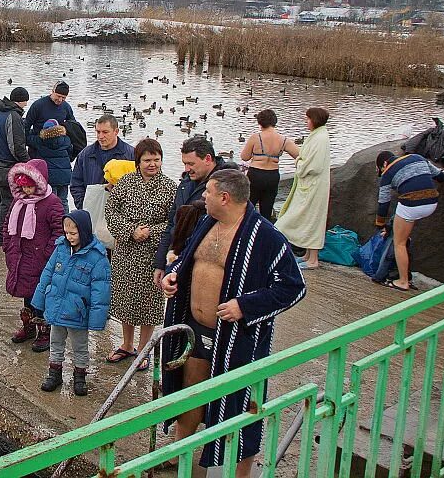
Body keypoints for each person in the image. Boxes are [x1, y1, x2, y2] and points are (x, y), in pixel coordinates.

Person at [160, 169, 306, 477]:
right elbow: (188, 259)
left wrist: (245, 306)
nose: (203, 197)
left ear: (225, 198)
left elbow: (293, 287)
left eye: (208, 193)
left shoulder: (266, 237)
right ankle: (179, 453)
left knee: (241, 403)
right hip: (195, 329)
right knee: (191, 390)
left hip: (237, 338)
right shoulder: (206, 223)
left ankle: (240, 473)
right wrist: (174, 275)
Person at [104, 138, 177, 371]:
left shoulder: (170, 187)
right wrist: (130, 231)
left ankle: (144, 349)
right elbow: (110, 210)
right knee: (126, 300)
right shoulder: (125, 183)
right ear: (138, 161)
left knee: (149, 302)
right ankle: (126, 344)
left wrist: (149, 232)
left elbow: (175, 222)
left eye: (156, 159)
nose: (152, 164)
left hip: (153, 255)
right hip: (126, 250)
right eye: (147, 160)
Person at [31, 209, 111, 397]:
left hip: (77, 311)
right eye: (66, 233)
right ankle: (54, 374)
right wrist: (39, 299)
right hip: (57, 307)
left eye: (73, 233)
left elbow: (101, 291)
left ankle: (80, 376)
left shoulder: (97, 257)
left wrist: (96, 320)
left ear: (83, 231)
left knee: (80, 347)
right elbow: (47, 274)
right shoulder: (61, 248)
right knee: (56, 342)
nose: (69, 237)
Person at [153, 136, 236, 283]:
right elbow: (172, 223)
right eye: (184, 163)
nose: (186, 169)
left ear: (208, 159)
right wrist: (160, 263)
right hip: (179, 259)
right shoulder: (185, 183)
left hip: (208, 265)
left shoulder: (229, 186)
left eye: (191, 163)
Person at [3, 159, 64, 352]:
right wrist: (7, 245)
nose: (27, 191)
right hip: (20, 255)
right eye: (25, 187)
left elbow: (58, 232)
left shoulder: (52, 202)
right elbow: (7, 224)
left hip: (40, 258)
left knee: (42, 295)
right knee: (26, 293)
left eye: (31, 187)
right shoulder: (18, 201)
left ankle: (45, 331)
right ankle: (28, 326)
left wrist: (47, 255)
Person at [374, 150, 444, 291]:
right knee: (404, 232)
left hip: (411, 205)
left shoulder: (387, 174)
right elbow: (441, 176)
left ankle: (403, 281)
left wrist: (380, 225)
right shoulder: (418, 157)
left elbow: (384, 202)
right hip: (432, 203)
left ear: (384, 164)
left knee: (399, 243)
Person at [275, 107, 331, 270]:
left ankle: (313, 259)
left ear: (315, 120)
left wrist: (299, 163)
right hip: (309, 185)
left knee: (312, 218)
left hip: (313, 186)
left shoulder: (321, 138)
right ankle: (307, 254)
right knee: (308, 218)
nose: (306, 122)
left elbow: (314, 165)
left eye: (307, 119)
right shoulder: (317, 135)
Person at [0, 87, 30, 246]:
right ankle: (1, 237)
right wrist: (28, 162)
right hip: (9, 165)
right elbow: (16, 146)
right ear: (21, 101)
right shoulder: (14, 115)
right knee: (7, 201)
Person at [240, 108, 300, 219]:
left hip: (255, 174)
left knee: (248, 208)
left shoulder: (255, 137)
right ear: (274, 122)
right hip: (272, 175)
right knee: (266, 210)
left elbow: (244, 157)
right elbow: (300, 155)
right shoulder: (284, 140)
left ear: (259, 123)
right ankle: (264, 232)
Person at [69, 114, 136, 210]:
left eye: (105, 132)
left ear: (116, 131)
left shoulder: (131, 154)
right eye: (98, 132)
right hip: (92, 209)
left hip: (122, 212)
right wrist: (83, 204)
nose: (100, 136)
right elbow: (76, 183)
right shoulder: (85, 155)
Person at [28, 119, 72, 213]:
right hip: (65, 176)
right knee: (63, 201)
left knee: (51, 201)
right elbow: (71, 153)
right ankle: (65, 222)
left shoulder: (40, 141)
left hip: (50, 177)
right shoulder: (66, 140)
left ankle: (54, 222)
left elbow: (28, 138)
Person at [24, 81, 75, 157]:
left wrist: (69, 150)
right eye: (58, 96)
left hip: (58, 150)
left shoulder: (66, 107)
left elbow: (74, 127)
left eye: (63, 98)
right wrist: (28, 142)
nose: (60, 100)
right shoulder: (38, 105)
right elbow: (26, 126)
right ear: (52, 91)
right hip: (38, 148)